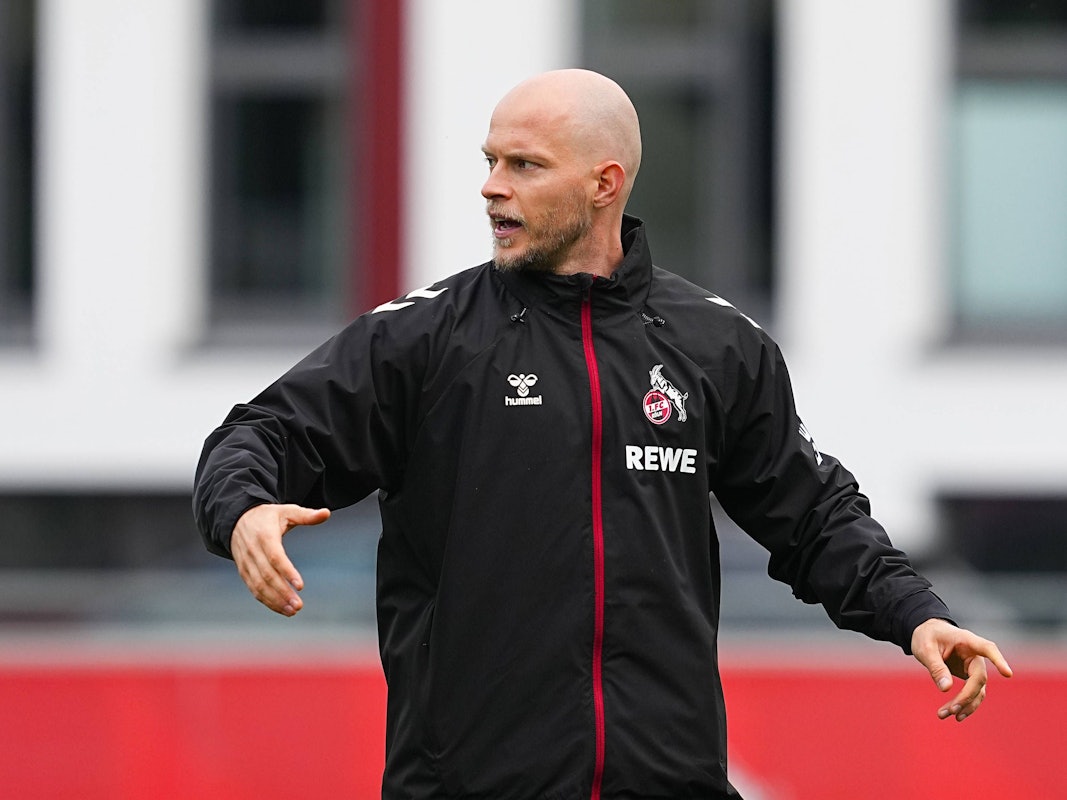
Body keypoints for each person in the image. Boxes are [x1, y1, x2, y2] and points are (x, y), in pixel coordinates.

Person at [193, 69, 1012, 799]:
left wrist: (913, 614)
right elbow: (260, 432)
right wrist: (244, 510)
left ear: (603, 182)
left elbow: (813, 514)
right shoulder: (424, 340)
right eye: (489, 161)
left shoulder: (715, 345)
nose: (490, 187)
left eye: (523, 165)